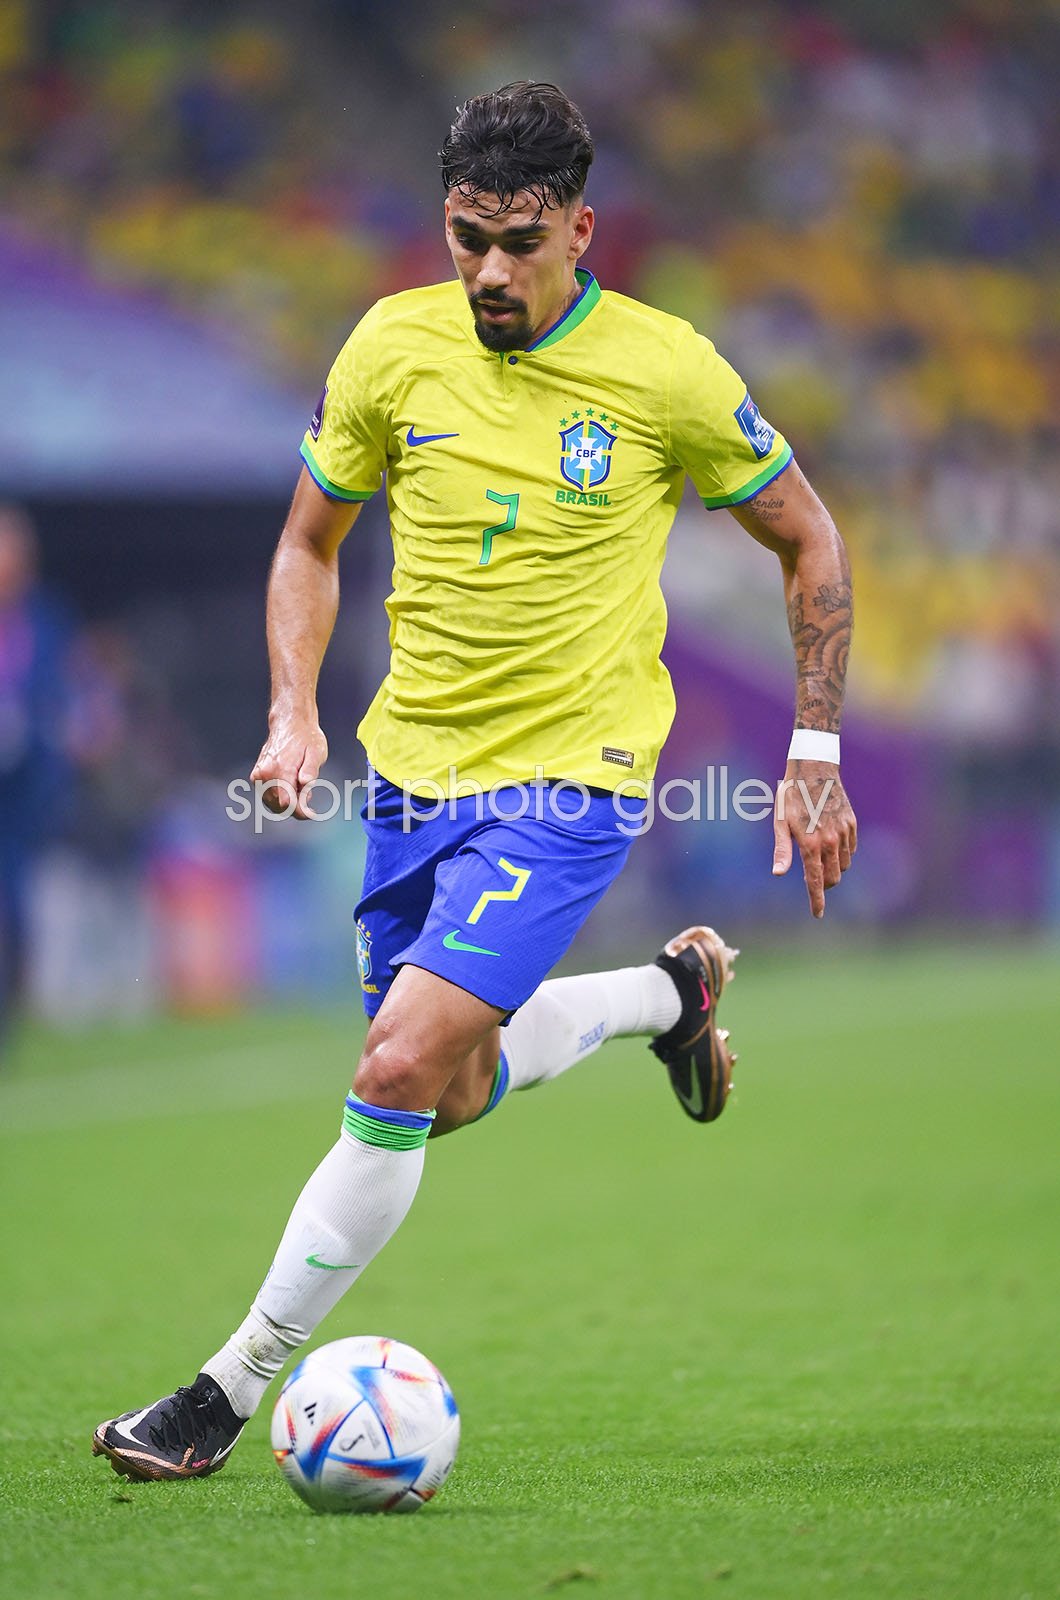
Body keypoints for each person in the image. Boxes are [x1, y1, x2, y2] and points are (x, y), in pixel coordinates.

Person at [93, 82, 856, 1481]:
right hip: (411, 773)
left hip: (575, 776)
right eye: (465, 240)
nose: (491, 273)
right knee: (447, 1090)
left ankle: (221, 1394)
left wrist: (813, 751)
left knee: (391, 1070)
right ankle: (670, 996)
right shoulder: (393, 346)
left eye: (519, 243)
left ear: (580, 227)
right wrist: (291, 713)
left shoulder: (667, 371)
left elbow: (810, 541)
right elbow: (307, 544)